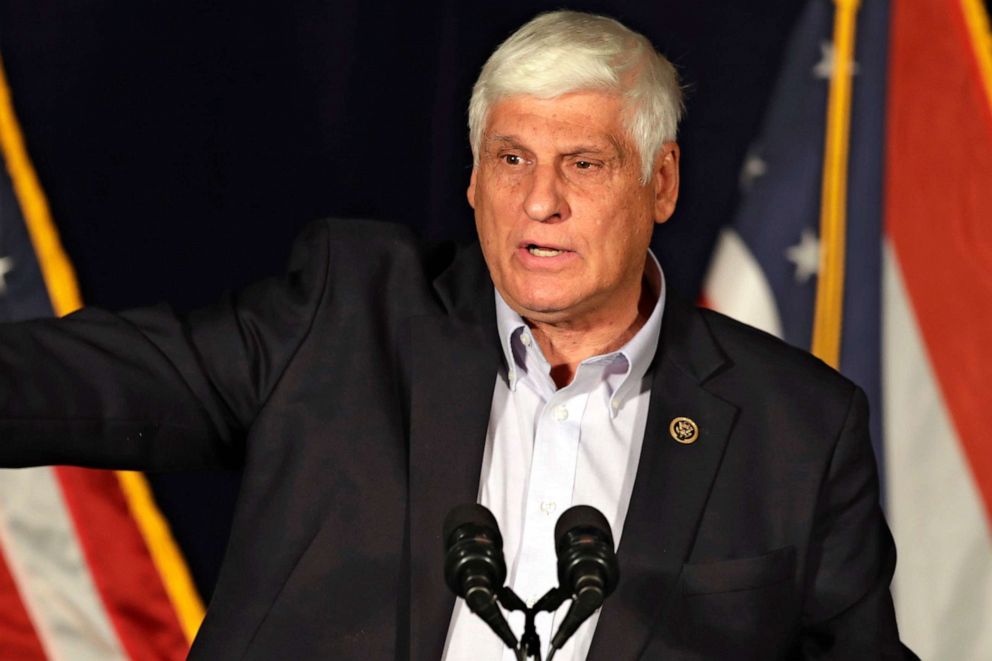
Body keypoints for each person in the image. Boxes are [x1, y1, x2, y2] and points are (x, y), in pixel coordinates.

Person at [0, 10, 914, 660]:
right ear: (474, 181)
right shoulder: (349, 318)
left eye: (583, 163)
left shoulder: (794, 427)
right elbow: (100, 382)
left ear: (662, 183)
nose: (540, 201)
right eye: (511, 159)